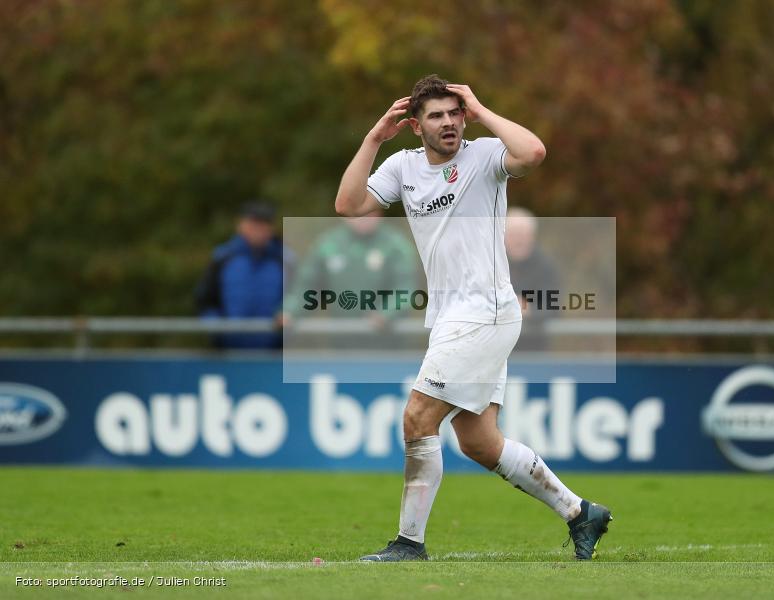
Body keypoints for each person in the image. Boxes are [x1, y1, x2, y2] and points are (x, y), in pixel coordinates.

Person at [334, 74, 612, 561]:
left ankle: (408, 543)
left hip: (484, 311)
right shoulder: (402, 166)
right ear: (416, 126)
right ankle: (579, 511)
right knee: (481, 444)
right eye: (436, 116)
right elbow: (348, 205)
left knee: (418, 416)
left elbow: (535, 153)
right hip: (451, 316)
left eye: (454, 113)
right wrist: (373, 140)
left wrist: (482, 110)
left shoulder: (484, 155)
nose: (448, 123)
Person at [279, 212, 420, 348]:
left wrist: (386, 313)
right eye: (359, 211)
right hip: (341, 344)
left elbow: (405, 288)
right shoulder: (329, 243)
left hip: (387, 344)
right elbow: (306, 285)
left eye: (370, 212)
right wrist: (290, 311)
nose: (364, 218)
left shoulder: (396, 244)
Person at [195, 201, 289, 349]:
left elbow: (296, 298)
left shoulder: (284, 260)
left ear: (271, 228)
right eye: (253, 223)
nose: (258, 230)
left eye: (263, 224)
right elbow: (205, 301)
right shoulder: (223, 258)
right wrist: (217, 330)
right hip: (228, 353)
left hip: (273, 354)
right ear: (241, 225)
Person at [506, 206, 562, 351]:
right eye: (514, 234)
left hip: (533, 351)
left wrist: (527, 308)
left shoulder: (545, 266)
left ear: (533, 236)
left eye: (524, 235)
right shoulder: (490, 265)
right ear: (503, 236)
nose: (519, 240)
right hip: (495, 352)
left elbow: (553, 305)